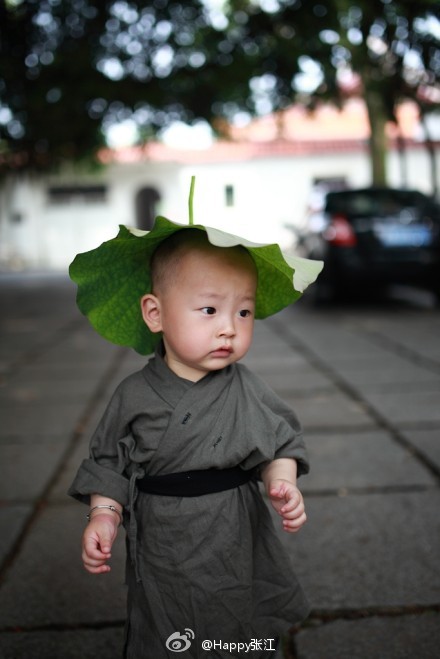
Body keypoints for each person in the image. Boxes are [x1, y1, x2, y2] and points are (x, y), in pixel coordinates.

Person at [68, 205, 323, 658]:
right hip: (165, 536)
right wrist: (104, 515)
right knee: (167, 623)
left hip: (234, 529)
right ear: (155, 313)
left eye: (243, 312)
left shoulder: (247, 387)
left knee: (235, 613)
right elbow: (108, 463)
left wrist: (281, 480)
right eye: (209, 309)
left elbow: (280, 441)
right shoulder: (134, 395)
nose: (229, 328)